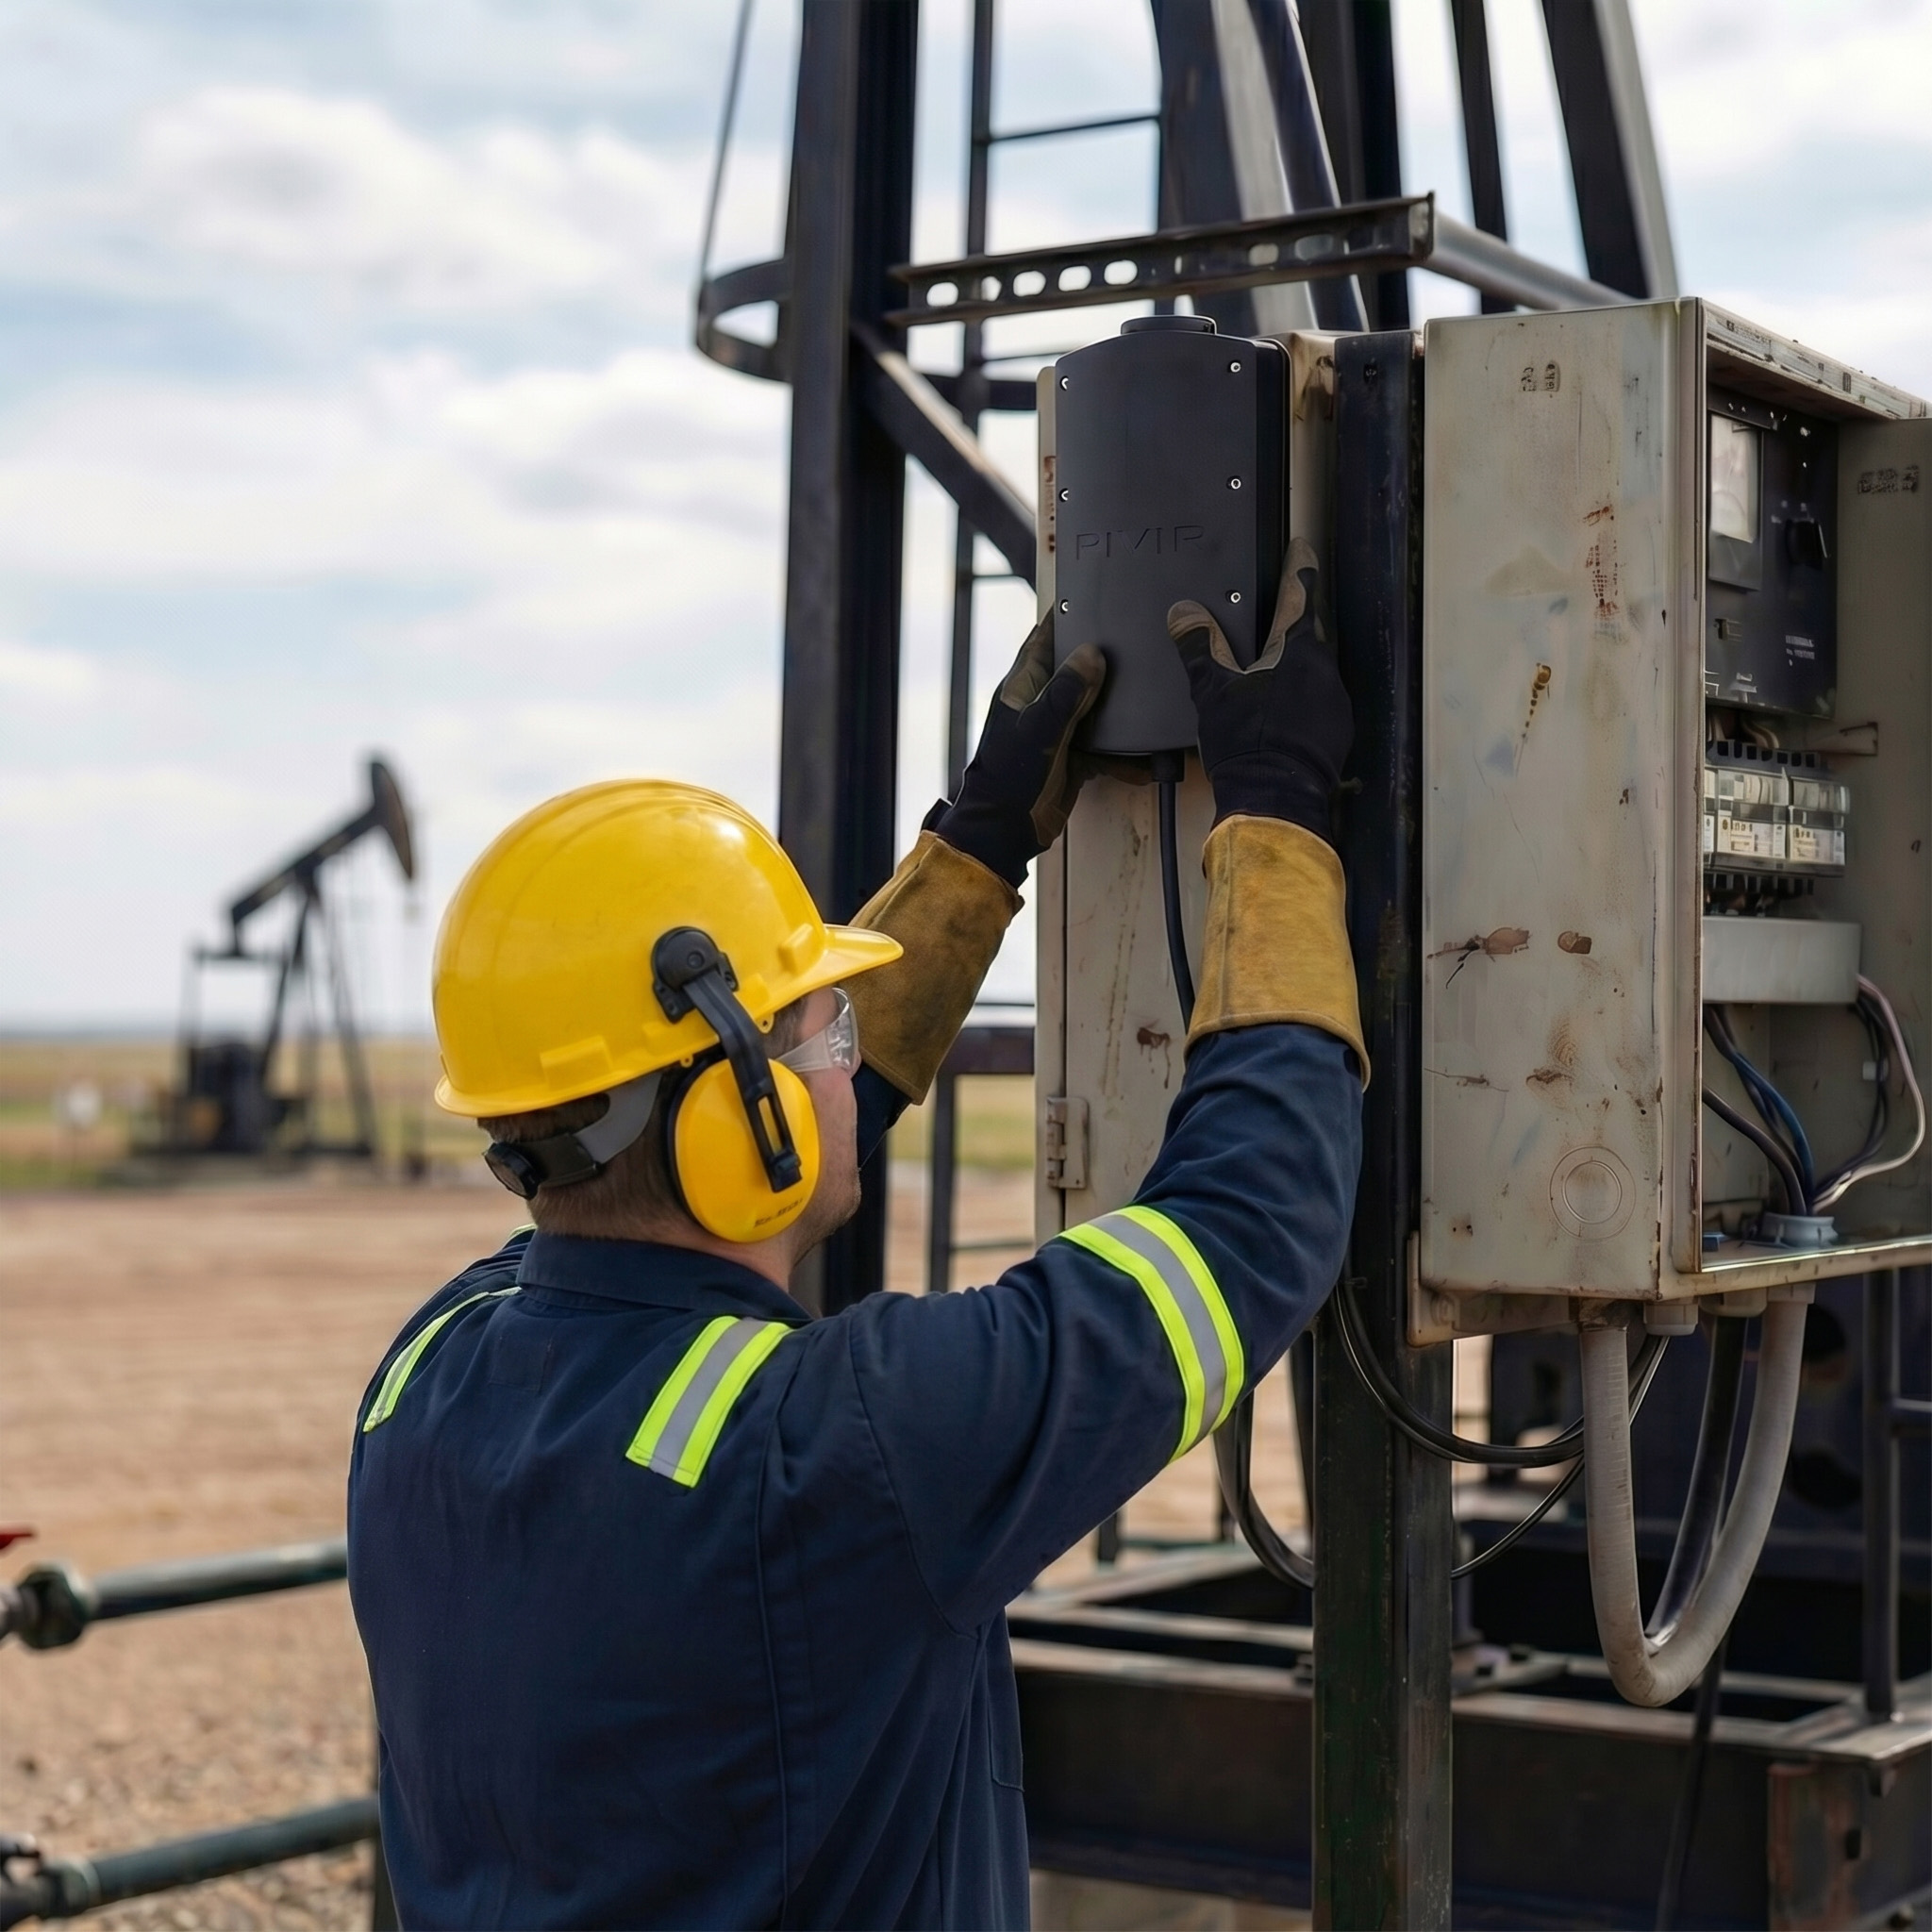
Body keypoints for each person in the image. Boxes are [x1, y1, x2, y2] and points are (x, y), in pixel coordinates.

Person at [346, 559, 1364, 1930]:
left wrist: (982, 845)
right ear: (741, 1121)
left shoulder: (422, 1376)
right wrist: (1283, 823)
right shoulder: (846, 1454)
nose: (844, 1050)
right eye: (817, 1025)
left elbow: (747, 1138)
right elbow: (1249, 1227)